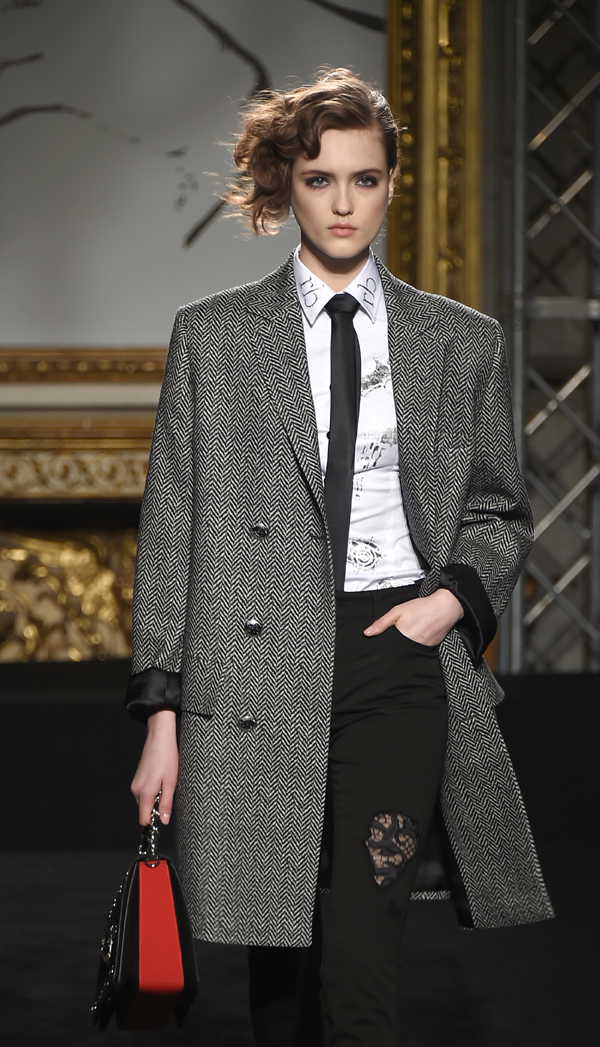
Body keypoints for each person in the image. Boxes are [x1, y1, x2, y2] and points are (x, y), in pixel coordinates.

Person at [126, 68, 553, 1047]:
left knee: (364, 957)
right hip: (254, 669)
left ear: (394, 183)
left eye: (365, 178)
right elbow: (173, 529)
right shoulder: (216, 339)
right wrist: (159, 717)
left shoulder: (459, 343)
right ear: (289, 184)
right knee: (282, 974)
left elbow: (499, 510)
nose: (344, 203)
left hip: (395, 657)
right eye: (321, 179)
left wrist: (447, 603)